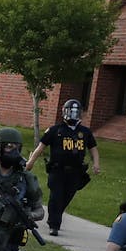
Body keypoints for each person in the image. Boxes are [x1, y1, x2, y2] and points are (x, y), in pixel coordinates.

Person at [26, 98, 100, 236]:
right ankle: (54, 225)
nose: (73, 115)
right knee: (56, 197)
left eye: (75, 112)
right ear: (64, 112)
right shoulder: (55, 130)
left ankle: (55, 217)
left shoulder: (85, 132)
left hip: (76, 172)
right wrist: (30, 162)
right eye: (70, 112)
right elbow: (41, 147)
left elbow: (93, 148)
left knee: (66, 197)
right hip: (57, 170)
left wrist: (96, 164)